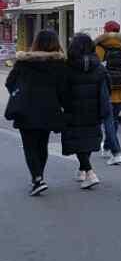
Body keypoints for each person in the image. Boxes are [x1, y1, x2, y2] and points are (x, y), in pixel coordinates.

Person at [4, 30, 68, 196]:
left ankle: (37, 178)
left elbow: (9, 82)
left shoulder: (24, 62)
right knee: (42, 144)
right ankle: (39, 176)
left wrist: (19, 93)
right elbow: (63, 90)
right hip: (49, 110)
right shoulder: (59, 64)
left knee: (29, 146)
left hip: (25, 108)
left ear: (36, 42)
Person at [63, 33, 111, 190]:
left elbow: (60, 91)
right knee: (88, 139)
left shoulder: (67, 68)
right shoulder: (99, 68)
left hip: (73, 111)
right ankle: (82, 170)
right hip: (94, 111)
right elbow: (107, 89)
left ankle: (89, 173)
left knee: (78, 141)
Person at [95, 20, 121, 165]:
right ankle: (107, 147)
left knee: (108, 121)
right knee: (113, 119)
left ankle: (116, 152)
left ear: (105, 31)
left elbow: (95, 71)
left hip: (104, 91)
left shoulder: (99, 48)